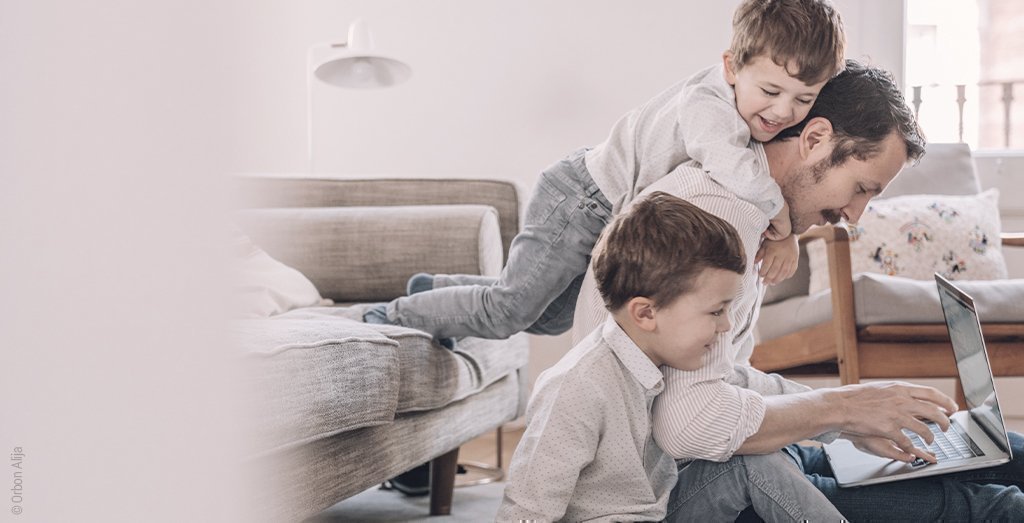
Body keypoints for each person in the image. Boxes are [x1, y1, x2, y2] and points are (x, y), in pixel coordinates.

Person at [571, 60, 1024, 521]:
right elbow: (690, 424)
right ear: (814, 139)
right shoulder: (715, 222)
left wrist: (849, 419)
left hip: (735, 457)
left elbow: (725, 379)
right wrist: (842, 409)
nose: (856, 214)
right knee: (991, 508)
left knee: (1010, 454)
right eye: (861, 188)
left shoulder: (751, 214)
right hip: (696, 488)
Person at [364, 0, 846, 343]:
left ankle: (432, 291)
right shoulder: (709, 107)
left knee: (550, 317)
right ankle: (388, 314)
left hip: (601, 210)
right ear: (731, 67)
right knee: (510, 310)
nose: (783, 111)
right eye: (771, 91)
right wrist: (784, 230)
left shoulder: (751, 109)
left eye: (803, 100)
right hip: (578, 199)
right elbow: (736, 170)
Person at [496, 192, 845, 522]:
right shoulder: (576, 388)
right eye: (715, 312)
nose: (726, 326)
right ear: (646, 314)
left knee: (750, 461)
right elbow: (526, 510)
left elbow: (745, 385)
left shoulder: (658, 359)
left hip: (662, 510)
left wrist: (843, 416)